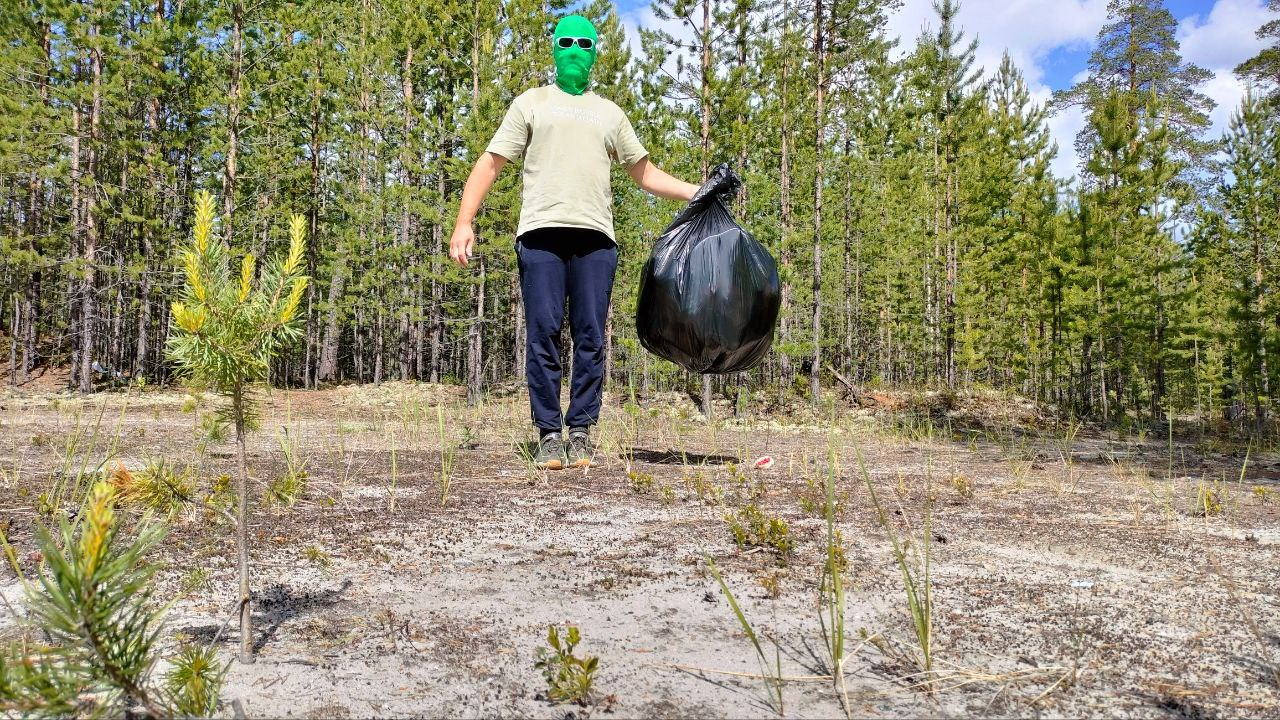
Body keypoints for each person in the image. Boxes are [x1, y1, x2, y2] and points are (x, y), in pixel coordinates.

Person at [448, 14, 699, 470]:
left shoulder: (610, 113)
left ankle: (580, 430)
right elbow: (489, 164)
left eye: (585, 42)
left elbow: (644, 173)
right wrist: (464, 221)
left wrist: (697, 192)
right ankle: (548, 433)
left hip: (595, 240)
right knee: (543, 333)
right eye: (566, 41)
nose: (575, 49)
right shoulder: (531, 103)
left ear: (595, 51)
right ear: (554, 48)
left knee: (589, 336)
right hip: (540, 236)